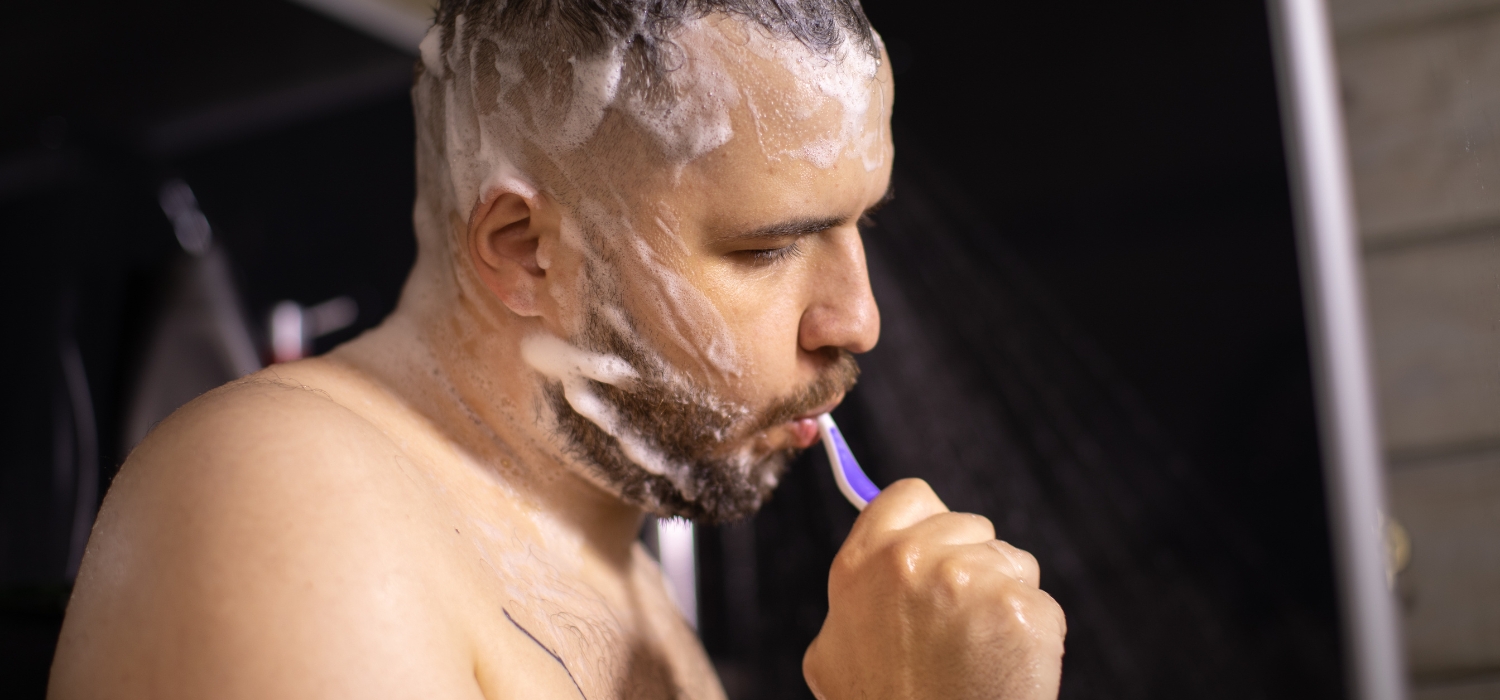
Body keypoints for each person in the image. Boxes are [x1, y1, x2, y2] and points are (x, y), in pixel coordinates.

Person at [49, 1, 1066, 698]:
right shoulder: (282, 493)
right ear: (529, 253)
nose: (857, 318)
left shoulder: (622, 580)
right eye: (767, 247)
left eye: (863, 227)